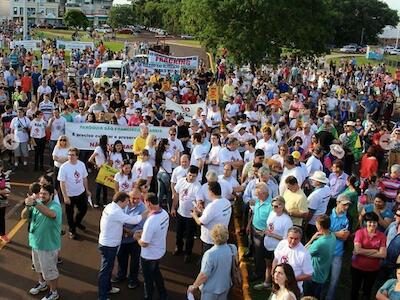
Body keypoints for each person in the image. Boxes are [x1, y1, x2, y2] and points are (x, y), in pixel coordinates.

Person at [97, 192, 147, 300]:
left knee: (108, 269)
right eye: (126, 201)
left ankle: (108, 288)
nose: (127, 204)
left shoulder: (110, 207)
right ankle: (102, 296)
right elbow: (135, 220)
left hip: (107, 243)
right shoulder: (116, 212)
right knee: (105, 272)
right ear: (121, 201)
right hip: (109, 246)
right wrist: (147, 212)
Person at [21, 183, 62, 300]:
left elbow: (51, 214)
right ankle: (42, 283)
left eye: (45, 194)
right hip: (35, 243)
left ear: (51, 195)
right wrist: (27, 206)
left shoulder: (55, 207)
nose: (42, 195)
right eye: (41, 193)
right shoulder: (37, 205)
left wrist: (34, 203)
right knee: (38, 267)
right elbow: (23, 216)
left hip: (48, 246)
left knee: (50, 271)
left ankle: (54, 293)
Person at [187, 224, 238, 300]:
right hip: (225, 285)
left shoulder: (209, 254)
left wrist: (194, 286)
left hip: (210, 290)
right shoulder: (232, 248)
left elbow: (204, 275)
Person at [134, 193, 169, 300]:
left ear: (148, 203)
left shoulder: (151, 221)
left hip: (149, 256)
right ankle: (163, 294)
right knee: (156, 273)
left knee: (148, 279)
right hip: (160, 250)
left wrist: (137, 238)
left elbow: (144, 243)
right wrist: (144, 232)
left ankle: (148, 297)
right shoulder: (164, 213)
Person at [254, 196, 293, 291]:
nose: (273, 208)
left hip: (278, 248)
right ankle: (267, 283)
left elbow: (286, 238)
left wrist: (271, 235)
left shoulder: (287, 220)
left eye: (276, 206)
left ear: (282, 206)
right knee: (268, 265)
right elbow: (270, 227)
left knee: (277, 269)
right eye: (272, 206)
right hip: (267, 244)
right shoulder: (272, 213)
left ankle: (276, 288)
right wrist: (265, 231)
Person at [111, 189, 146, 289]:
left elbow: (141, 226)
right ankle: (121, 275)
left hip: (134, 240)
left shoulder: (143, 208)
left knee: (135, 262)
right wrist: (126, 230)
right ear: (128, 198)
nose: (135, 201)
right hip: (122, 239)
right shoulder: (122, 205)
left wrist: (128, 232)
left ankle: (133, 279)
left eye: (138, 199)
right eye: (133, 198)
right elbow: (117, 220)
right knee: (121, 258)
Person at [351, 212, 387, 300]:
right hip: (357, 267)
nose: (372, 224)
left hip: (373, 270)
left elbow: (383, 254)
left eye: (374, 222)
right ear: (365, 222)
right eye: (369, 222)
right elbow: (357, 250)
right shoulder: (359, 233)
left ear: (377, 223)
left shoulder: (382, 236)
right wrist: (375, 251)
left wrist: (362, 251)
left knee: (367, 291)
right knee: (355, 289)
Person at [58, 148, 92, 240]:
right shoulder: (64, 167)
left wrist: (87, 190)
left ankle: (77, 222)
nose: (70, 157)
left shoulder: (81, 165)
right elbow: (62, 183)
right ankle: (72, 230)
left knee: (83, 209)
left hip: (80, 192)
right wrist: (65, 196)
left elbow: (84, 178)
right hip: (69, 195)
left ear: (77, 156)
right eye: (69, 155)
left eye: (73, 155)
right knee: (69, 214)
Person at [171, 165, 201, 263]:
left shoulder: (197, 186)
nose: (191, 177)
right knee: (178, 233)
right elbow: (176, 195)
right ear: (187, 173)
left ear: (197, 176)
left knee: (189, 236)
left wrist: (196, 211)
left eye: (194, 176)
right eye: (190, 175)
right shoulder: (181, 181)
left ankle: (188, 253)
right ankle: (178, 248)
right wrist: (173, 208)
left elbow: (198, 202)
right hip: (180, 213)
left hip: (190, 216)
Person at [191, 181, 232, 252]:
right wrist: (204, 211)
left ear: (211, 192)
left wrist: (194, 215)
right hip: (222, 237)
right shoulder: (227, 202)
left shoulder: (212, 206)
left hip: (210, 240)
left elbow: (200, 222)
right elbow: (215, 214)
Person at [303, 214, 336, 299]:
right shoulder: (332, 236)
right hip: (323, 274)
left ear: (320, 226)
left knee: (308, 297)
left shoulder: (320, 243)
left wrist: (311, 240)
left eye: (316, 223)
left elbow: (303, 252)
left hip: (313, 276)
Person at [272, 226, 313, 293]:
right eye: (291, 238)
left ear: (300, 239)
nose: (293, 241)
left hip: (292, 289)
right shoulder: (282, 243)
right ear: (287, 236)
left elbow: (309, 275)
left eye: (296, 239)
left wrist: (290, 279)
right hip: (278, 285)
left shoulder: (304, 254)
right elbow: (276, 259)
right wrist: (274, 273)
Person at [325, 194, 351, 300]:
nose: (346, 207)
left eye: (348, 205)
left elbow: (345, 237)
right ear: (337, 203)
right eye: (344, 205)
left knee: (334, 280)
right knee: (322, 277)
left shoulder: (349, 218)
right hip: (325, 251)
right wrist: (337, 234)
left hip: (338, 253)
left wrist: (330, 232)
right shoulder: (327, 214)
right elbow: (321, 232)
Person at [305, 171, 331, 239]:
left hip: (313, 222)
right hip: (321, 218)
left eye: (314, 180)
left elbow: (311, 211)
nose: (312, 181)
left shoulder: (315, 195)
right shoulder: (327, 188)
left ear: (318, 182)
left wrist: (306, 222)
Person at [88, 135, 110, 208]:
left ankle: (100, 202)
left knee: (102, 187)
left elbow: (90, 159)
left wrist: (97, 165)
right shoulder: (99, 148)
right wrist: (97, 165)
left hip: (104, 169)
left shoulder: (105, 148)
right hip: (102, 169)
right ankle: (101, 202)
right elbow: (90, 159)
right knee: (101, 187)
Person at [0, 161, 11, 242]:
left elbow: (8, 189)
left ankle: (2, 234)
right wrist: (1, 191)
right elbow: (4, 191)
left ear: (1, 167)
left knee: (1, 218)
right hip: (2, 197)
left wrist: (4, 192)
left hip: (2, 201)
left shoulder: (5, 176)